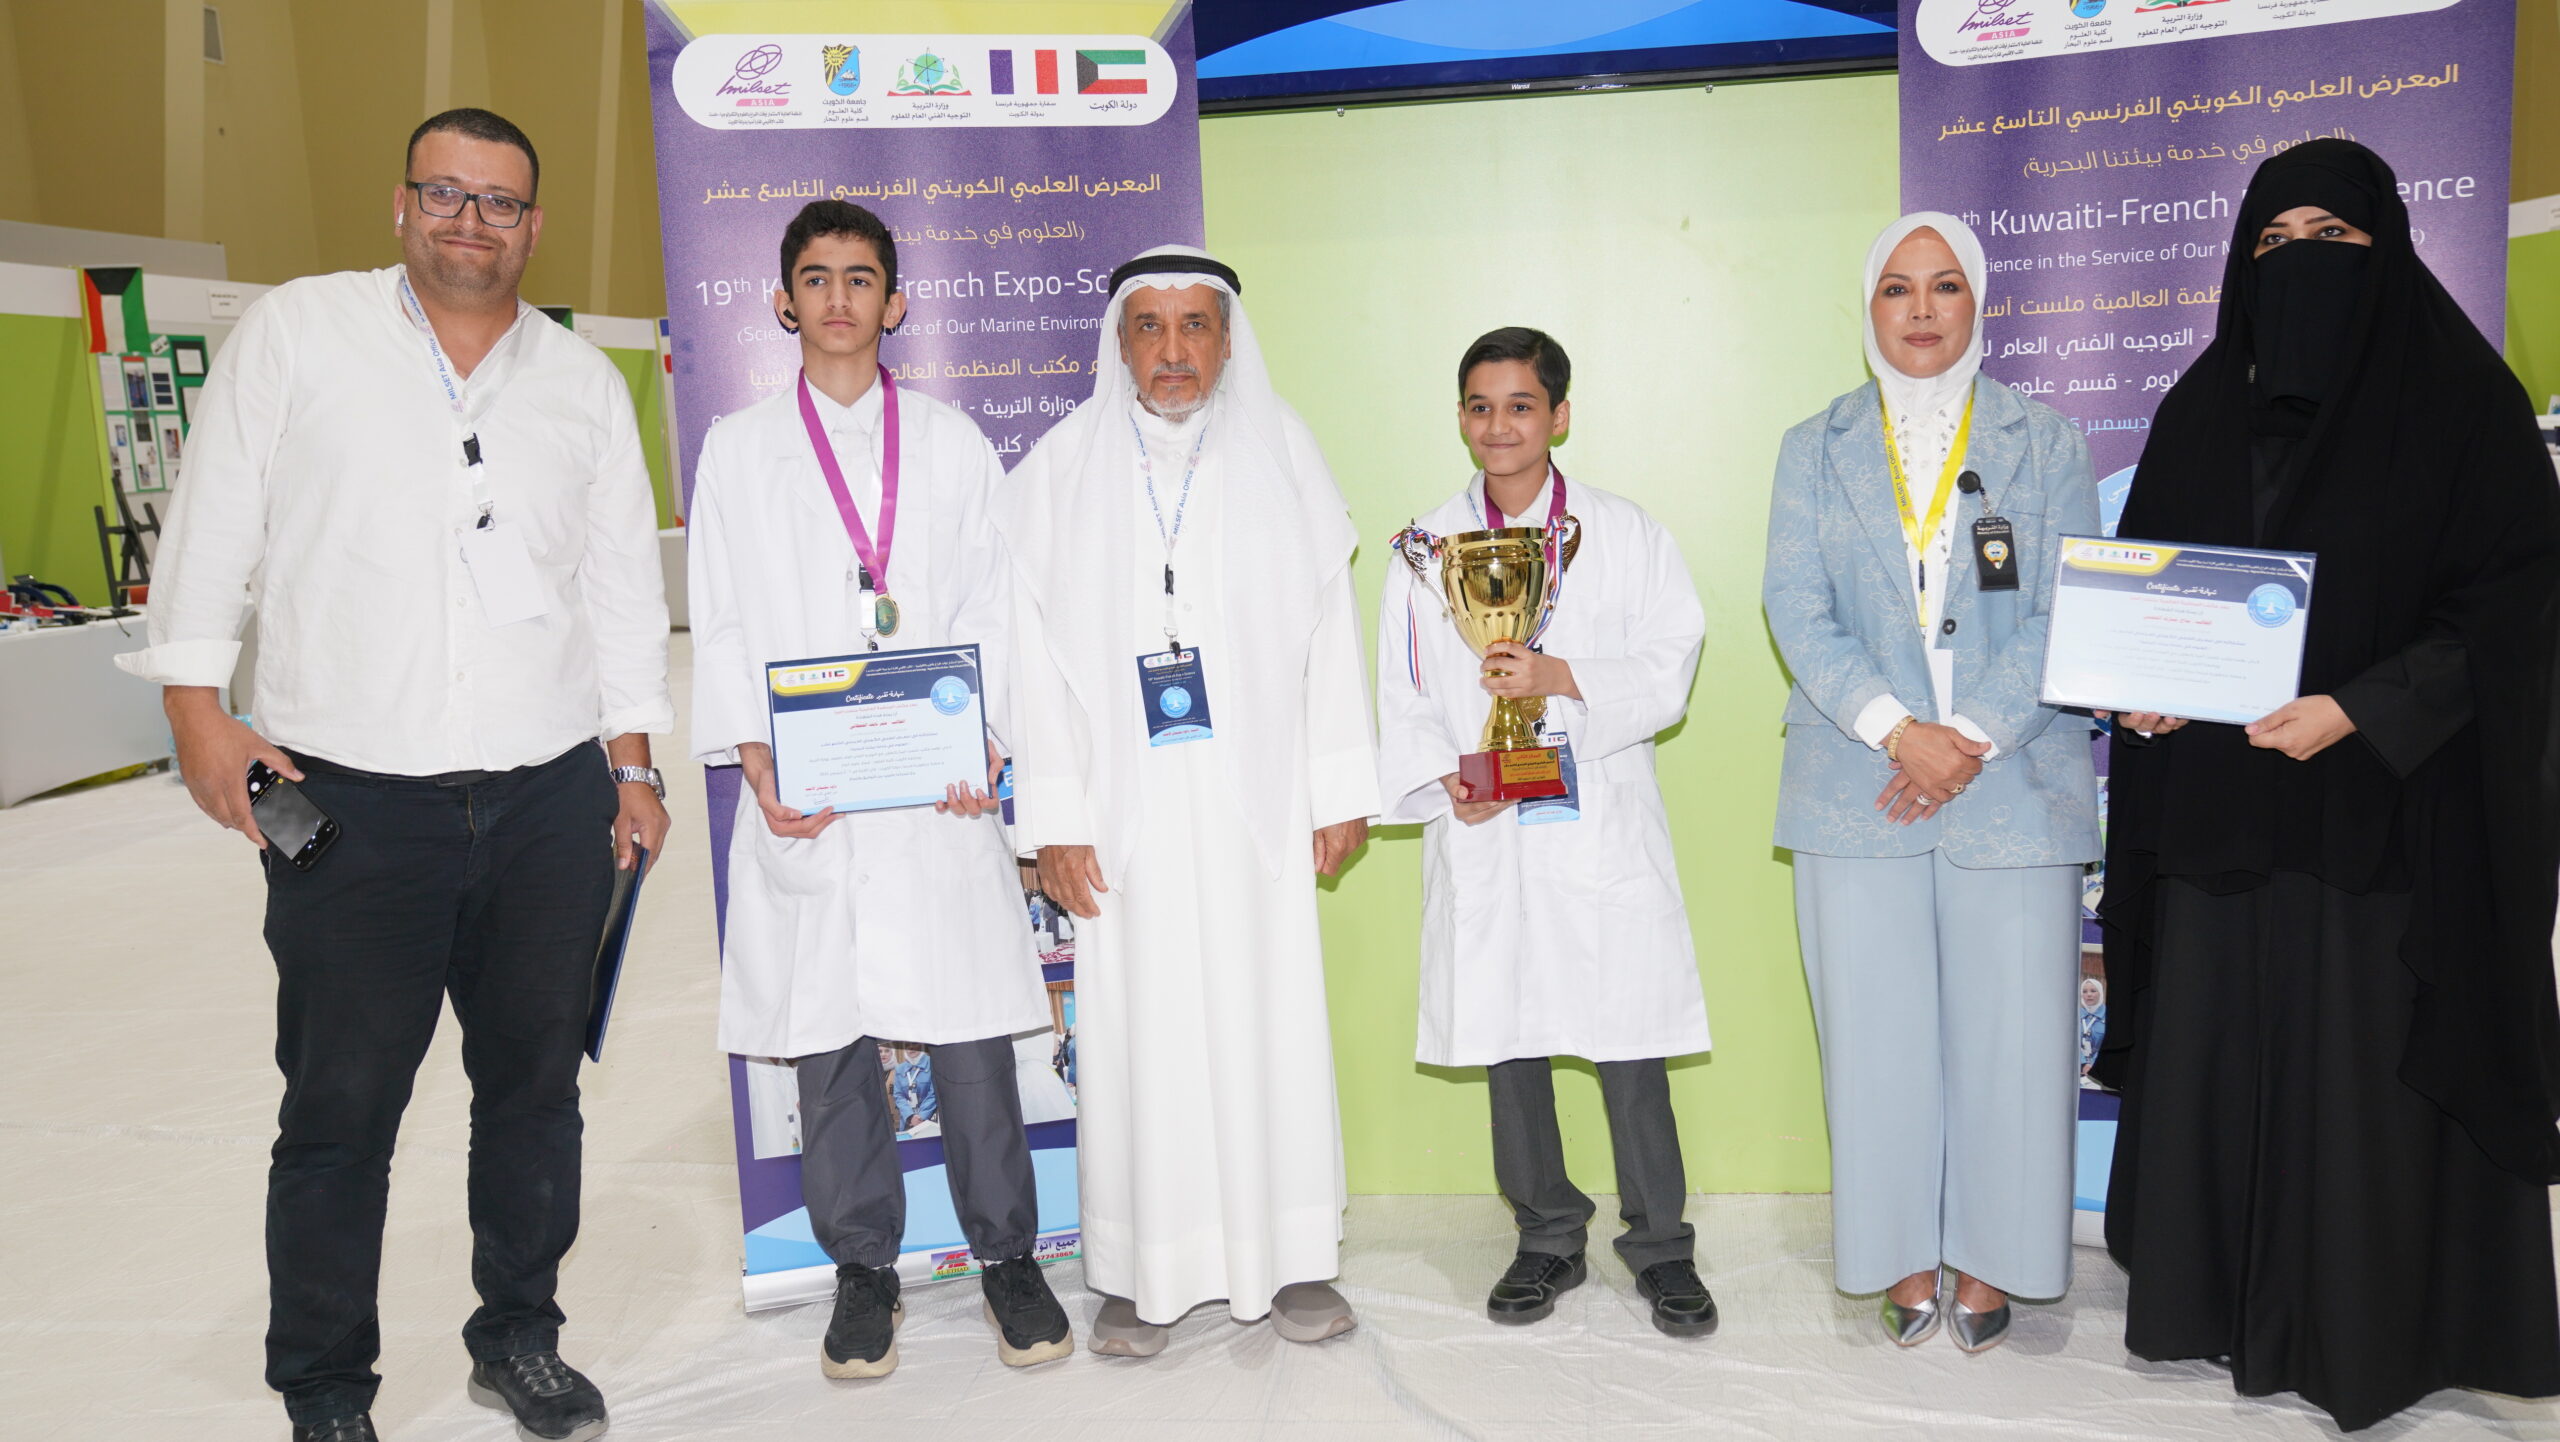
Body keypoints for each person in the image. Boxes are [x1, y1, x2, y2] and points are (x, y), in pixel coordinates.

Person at [114, 109, 670, 1442]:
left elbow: (618, 584)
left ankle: (518, 1334)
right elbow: (216, 516)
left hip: (546, 797)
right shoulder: (301, 333)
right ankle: (324, 1385)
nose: (472, 220)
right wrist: (196, 705)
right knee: (341, 1107)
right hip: (350, 802)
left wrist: (633, 758)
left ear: (534, 225)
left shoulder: (580, 383)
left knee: (533, 1094)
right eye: (446, 192)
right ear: (402, 203)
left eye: (500, 201)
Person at [2094, 139, 2560, 1431]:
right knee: (2223, 1049)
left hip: (2380, 825)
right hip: (2221, 822)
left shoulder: (2464, 403)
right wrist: (2140, 689)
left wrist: (2361, 705)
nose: (2301, 261)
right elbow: (2151, 590)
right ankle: (2212, 1303)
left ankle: (2366, 1336)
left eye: (2332, 237)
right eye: (2274, 239)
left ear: (2386, 247)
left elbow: (2515, 605)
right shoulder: (2199, 409)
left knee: (2359, 1084)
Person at [686, 199, 1071, 1377]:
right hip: (813, 790)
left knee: (966, 1024)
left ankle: (1007, 1253)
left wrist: (984, 737)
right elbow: (720, 612)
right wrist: (753, 750)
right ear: (782, 301)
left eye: (861, 277)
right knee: (829, 1029)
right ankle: (862, 1267)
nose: (839, 297)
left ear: (894, 301)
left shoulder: (951, 443)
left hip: (933, 783)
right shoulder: (739, 449)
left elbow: (996, 602)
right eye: (817, 277)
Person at [1000, 245, 1379, 1356]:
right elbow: (1029, 661)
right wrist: (1054, 818)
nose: (1173, 351)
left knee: (1272, 1019)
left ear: (1225, 340)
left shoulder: (1283, 451)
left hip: (1258, 800)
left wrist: (1338, 785)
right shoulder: (1060, 469)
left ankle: (1293, 1256)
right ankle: (1137, 1269)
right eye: (1151, 327)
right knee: (1139, 1032)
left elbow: (1329, 634)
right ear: (1120, 342)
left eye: (1194, 326)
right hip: (1123, 808)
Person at [1763, 212, 2100, 1355]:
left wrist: (1967, 736)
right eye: (1897, 287)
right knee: (1874, 1038)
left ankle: (1996, 1256)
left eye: (1944, 285)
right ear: (1868, 306)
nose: (1919, 309)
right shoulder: (1811, 446)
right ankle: (1899, 1253)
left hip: (2016, 779)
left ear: (1977, 301)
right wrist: (1896, 731)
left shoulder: (2045, 441)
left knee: (2015, 1040)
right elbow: (1793, 605)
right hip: (1855, 781)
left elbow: (2064, 608)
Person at [1374, 327, 1717, 1336]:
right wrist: (1446, 778)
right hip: (1489, 827)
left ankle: (1661, 1244)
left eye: (1521, 405)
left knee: (1629, 1035)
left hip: (1596, 813)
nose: (1500, 426)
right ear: (1461, 417)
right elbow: (1400, 690)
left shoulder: (1623, 534)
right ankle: (1546, 1234)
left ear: (1558, 416)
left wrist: (1561, 676)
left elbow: (1670, 663)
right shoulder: (1425, 550)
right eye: (1480, 407)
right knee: (1508, 1030)